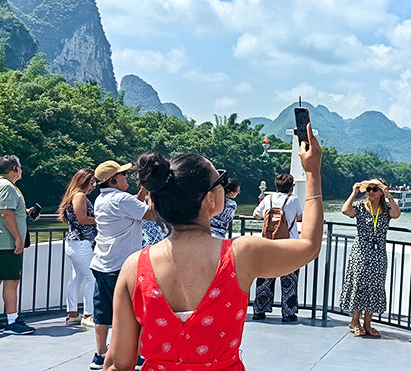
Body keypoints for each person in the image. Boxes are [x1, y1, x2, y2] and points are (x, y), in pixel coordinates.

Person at [102, 124, 323, 371]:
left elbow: (118, 363)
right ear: (209, 199)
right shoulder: (240, 255)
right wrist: (312, 173)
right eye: (220, 180)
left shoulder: (134, 267)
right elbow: (309, 246)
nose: (224, 186)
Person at [89, 160, 157, 370]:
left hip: (101, 263)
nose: (126, 178)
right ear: (113, 179)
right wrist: (151, 194)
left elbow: (133, 208)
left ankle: (100, 354)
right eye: (123, 175)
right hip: (123, 266)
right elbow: (150, 215)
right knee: (131, 312)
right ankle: (134, 354)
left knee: (102, 311)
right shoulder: (121, 199)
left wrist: (143, 189)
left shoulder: (102, 199)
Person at [0, 155, 39, 335]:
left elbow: (7, 211)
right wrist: (18, 238)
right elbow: (6, 214)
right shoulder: (6, 186)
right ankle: (12, 321)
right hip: (5, 241)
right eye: (20, 167)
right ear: (14, 170)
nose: (21, 171)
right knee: (11, 281)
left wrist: (26, 213)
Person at [339, 178, 402, 337]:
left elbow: (397, 214)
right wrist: (354, 193)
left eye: (375, 189)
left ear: (381, 192)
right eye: (369, 189)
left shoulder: (386, 209)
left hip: (378, 254)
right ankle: (355, 320)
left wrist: (389, 195)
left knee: (375, 287)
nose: (371, 192)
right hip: (361, 252)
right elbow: (345, 210)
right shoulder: (361, 207)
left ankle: (368, 323)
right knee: (360, 285)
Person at [251, 174, 304, 322]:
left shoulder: (268, 199)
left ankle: (259, 310)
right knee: (290, 280)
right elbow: (300, 217)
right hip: (289, 245)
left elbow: (256, 214)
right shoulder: (293, 199)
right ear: (291, 186)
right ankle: (288, 312)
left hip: (268, 244)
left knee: (266, 277)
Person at [58, 168, 98, 327]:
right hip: (82, 243)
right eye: (92, 182)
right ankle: (88, 315)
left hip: (74, 243)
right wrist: (101, 219)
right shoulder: (80, 196)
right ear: (84, 181)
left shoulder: (74, 195)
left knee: (76, 279)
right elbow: (82, 219)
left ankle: (73, 314)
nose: (94, 186)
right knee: (92, 278)